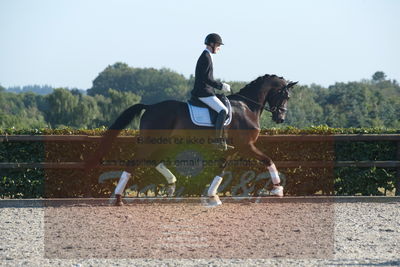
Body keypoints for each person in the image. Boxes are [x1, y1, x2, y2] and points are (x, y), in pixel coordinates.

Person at [191, 33, 231, 150]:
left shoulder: (207, 56)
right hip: (203, 92)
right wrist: (221, 85)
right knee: (223, 111)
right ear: (212, 44)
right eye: (218, 45)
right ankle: (217, 141)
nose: (219, 47)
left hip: (206, 91)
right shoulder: (206, 57)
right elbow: (206, 79)